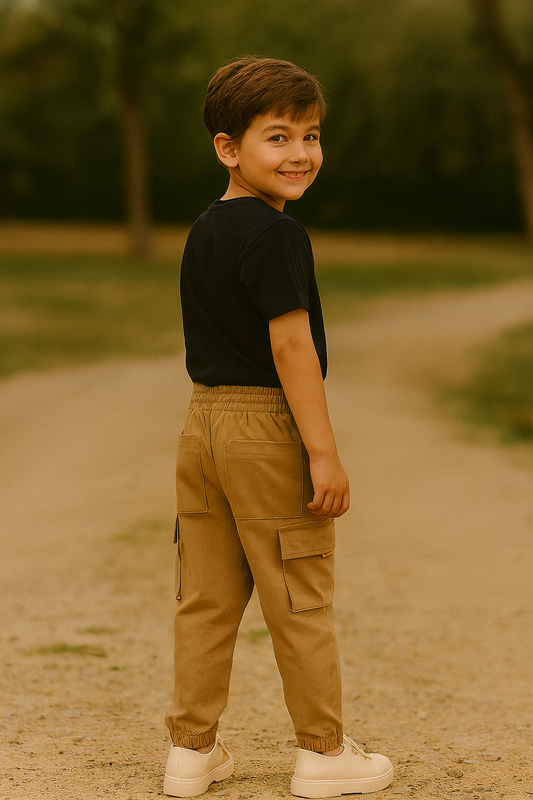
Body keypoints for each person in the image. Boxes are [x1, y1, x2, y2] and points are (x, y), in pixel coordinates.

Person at [163, 56, 393, 798]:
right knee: (298, 597)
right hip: (264, 429)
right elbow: (290, 346)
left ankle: (191, 754)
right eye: (277, 137)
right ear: (228, 147)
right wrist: (322, 456)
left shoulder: (205, 228)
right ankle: (323, 755)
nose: (299, 154)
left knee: (204, 597)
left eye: (311, 135)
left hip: (202, 424)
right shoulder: (275, 235)